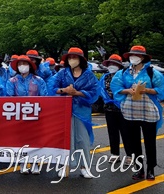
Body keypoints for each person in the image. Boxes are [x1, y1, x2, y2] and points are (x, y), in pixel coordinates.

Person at [111, 46, 164, 181]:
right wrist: (128, 91)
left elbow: (161, 89)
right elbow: (116, 87)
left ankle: (151, 169)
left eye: (136, 55)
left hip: (148, 111)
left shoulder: (153, 73)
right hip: (130, 111)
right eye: (131, 55)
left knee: (149, 141)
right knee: (134, 142)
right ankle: (139, 169)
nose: (132, 57)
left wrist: (146, 90)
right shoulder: (123, 72)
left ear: (143, 58)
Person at [48, 47, 99, 179]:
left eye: (74, 58)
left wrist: (77, 93)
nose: (72, 60)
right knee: (65, 138)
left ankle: (84, 166)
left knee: (82, 139)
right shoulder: (62, 73)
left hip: (82, 111)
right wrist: (63, 90)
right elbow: (51, 87)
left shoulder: (88, 75)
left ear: (81, 60)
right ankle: (65, 166)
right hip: (64, 110)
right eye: (70, 58)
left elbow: (95, 92)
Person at [99, 54, 131, 165]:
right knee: (112, 132)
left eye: (114, 64)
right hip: (109, 109)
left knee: (126, 132)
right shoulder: (105, 77)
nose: (112, 66)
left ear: (119, 65)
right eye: (110, 64)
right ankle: (115, 154)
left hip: (123, 108)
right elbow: (101, 90)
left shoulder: (124, 76)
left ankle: (130, 155)